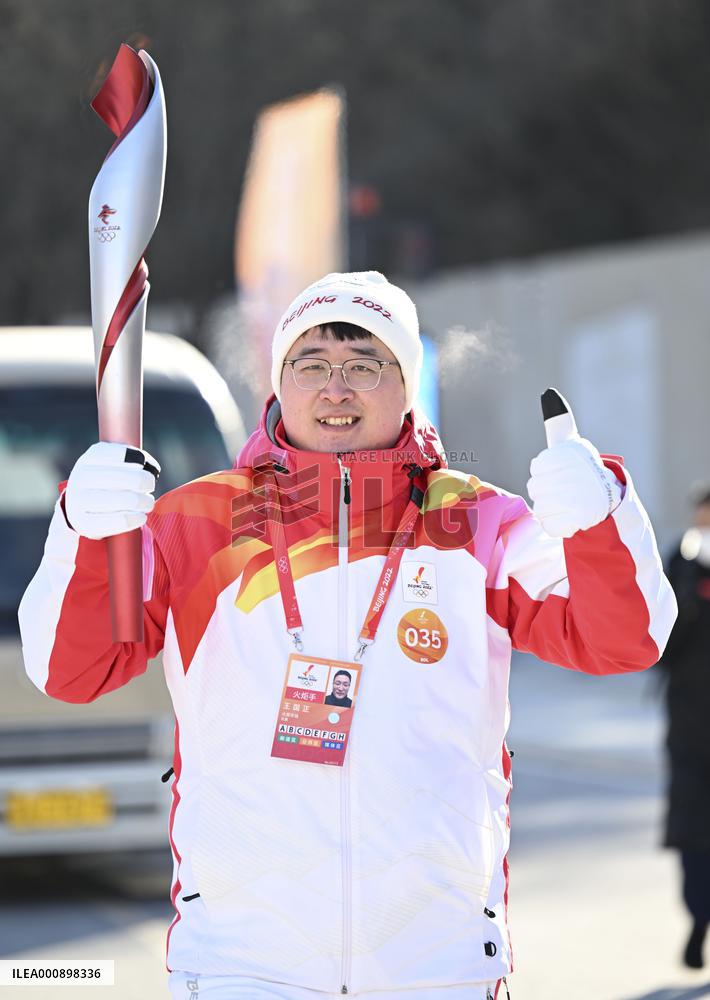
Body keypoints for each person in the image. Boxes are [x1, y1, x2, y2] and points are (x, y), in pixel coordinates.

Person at [19, 271, 677, 1000]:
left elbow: (627, 640)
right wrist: (82, 532)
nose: (336, 389)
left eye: (365, 366)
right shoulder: (193, 525)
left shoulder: (479, 524)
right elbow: (69, 671)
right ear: (280, 384)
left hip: (438, 968)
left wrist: (601, 518)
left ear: (406, 386)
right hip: (244, 966)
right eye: (311, 366)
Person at [660, 483, 710, 969]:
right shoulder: (683, 562)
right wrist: (691, 589)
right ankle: (698, 920)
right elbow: (660, 646)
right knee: (694, 829)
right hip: (690, 724)